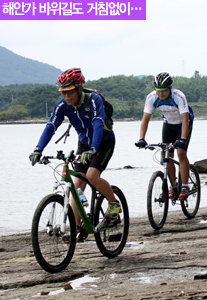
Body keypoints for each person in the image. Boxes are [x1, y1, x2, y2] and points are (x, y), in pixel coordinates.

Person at [29, 68, 119, 235]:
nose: (66, 96)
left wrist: (94, 149)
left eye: (70, 92)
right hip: (84, 144)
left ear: (79, 88)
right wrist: (38, 148)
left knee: (92, 176)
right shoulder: (63, 105)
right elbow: (51, 126)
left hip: (103, 142)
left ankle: (114, 204)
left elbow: (98, 123)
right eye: (63, 93)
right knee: (77, 184)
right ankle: (77, 228)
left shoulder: (93, 100)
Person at [135, 72, 193, 200]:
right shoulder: (151, 98)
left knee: (181, 153)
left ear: (170, 88)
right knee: (166, 155)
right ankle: (173, 185)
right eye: (158, 91)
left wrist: (182, 139)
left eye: (164, 91)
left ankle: (184, 185)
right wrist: (141, 138)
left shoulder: (179, 96)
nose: (161, 94)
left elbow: (185, 119)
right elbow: (145, 120)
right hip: (168, 125)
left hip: (183, 124)